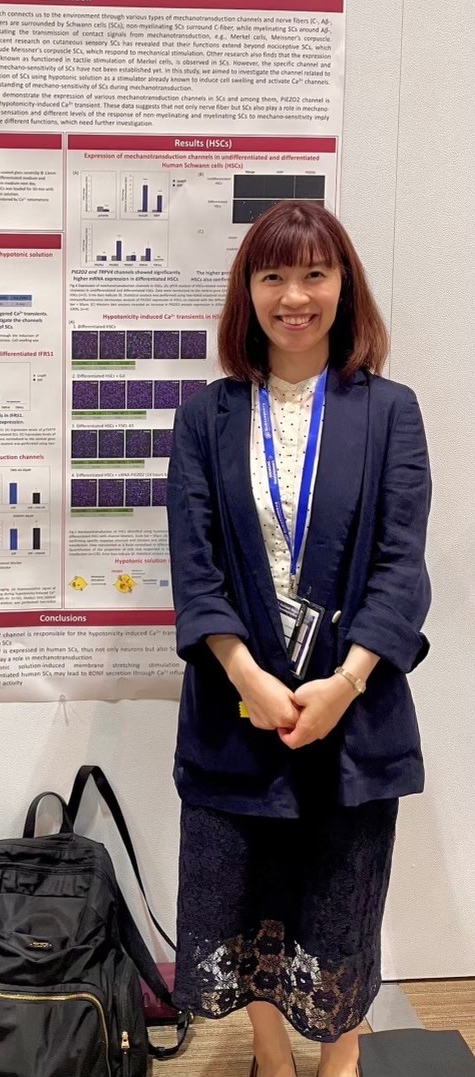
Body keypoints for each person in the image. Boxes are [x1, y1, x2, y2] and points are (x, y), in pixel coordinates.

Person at [166, 200, 432, 1077]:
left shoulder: (388, 411)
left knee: (341, 899)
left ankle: (340, 1055)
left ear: (342, 285)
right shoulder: (205, 417)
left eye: (314, 273)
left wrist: (344, 682)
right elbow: (195, 566)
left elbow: (400, 565)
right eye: (272, 275)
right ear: (247, 291)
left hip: (351, 712)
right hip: (236, 707)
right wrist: (246, 672)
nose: (294, 296)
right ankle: (270, 1053)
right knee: (245, 896)